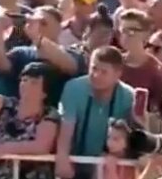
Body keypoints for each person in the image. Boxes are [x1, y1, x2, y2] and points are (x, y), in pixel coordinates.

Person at [56, 46, 135, 179]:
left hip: (106, 167)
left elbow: (129, 135)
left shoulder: (128, 96)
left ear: (117, 74)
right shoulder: (73, 88)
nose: (96, 75)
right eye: (94, 68)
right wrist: (62, 156)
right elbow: (66, 127)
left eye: (104, 72)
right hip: (76, 163)